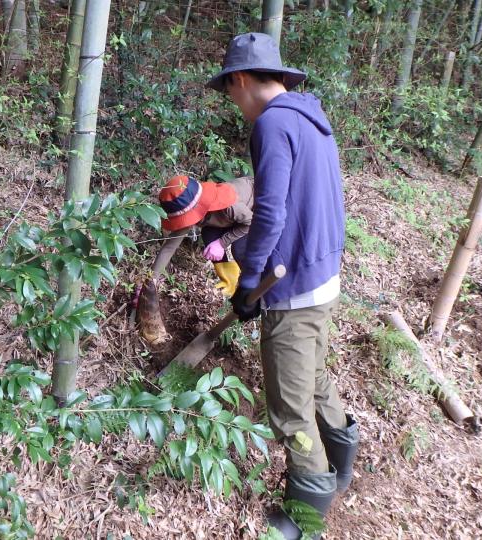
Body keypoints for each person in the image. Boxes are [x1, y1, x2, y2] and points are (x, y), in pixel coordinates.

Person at [205, 33, 360, 539]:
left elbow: (271, 211)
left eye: (230, 91)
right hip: (323, 274)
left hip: (291, 286)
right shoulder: (310, 118)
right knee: (313, 379)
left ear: (242, 80)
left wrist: (248, 283)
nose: (234, 103)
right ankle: (342, 468)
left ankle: (306, 516)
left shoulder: (272, 124)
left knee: (290, 410)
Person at [136, 174, 254, 345]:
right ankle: (230, 280)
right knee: (208, 234)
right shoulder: (190, 207)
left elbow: (251, 221)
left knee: (239, 249)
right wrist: (151, 279)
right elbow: (169, 247)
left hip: (254, 210)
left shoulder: (229, 205)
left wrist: (222, 243)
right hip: (228, 221)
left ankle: (251, 286)